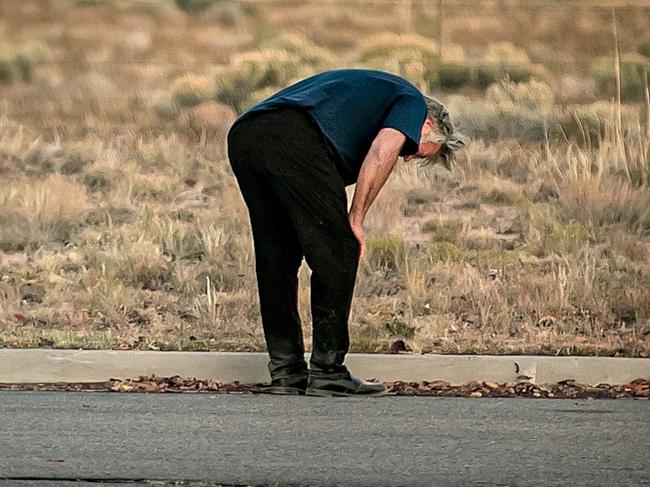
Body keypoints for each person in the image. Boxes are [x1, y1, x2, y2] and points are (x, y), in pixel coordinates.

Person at [226, 68, 464, 397]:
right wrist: (356, 217)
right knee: (340, 250)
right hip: (293, 136)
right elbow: (383, 152)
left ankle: (286, 373)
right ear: (428, 124)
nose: (407, 156)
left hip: (246, 135)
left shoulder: (374, 99)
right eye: (416, 149)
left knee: (277, 258)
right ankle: (328, 371)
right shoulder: (412, 102)